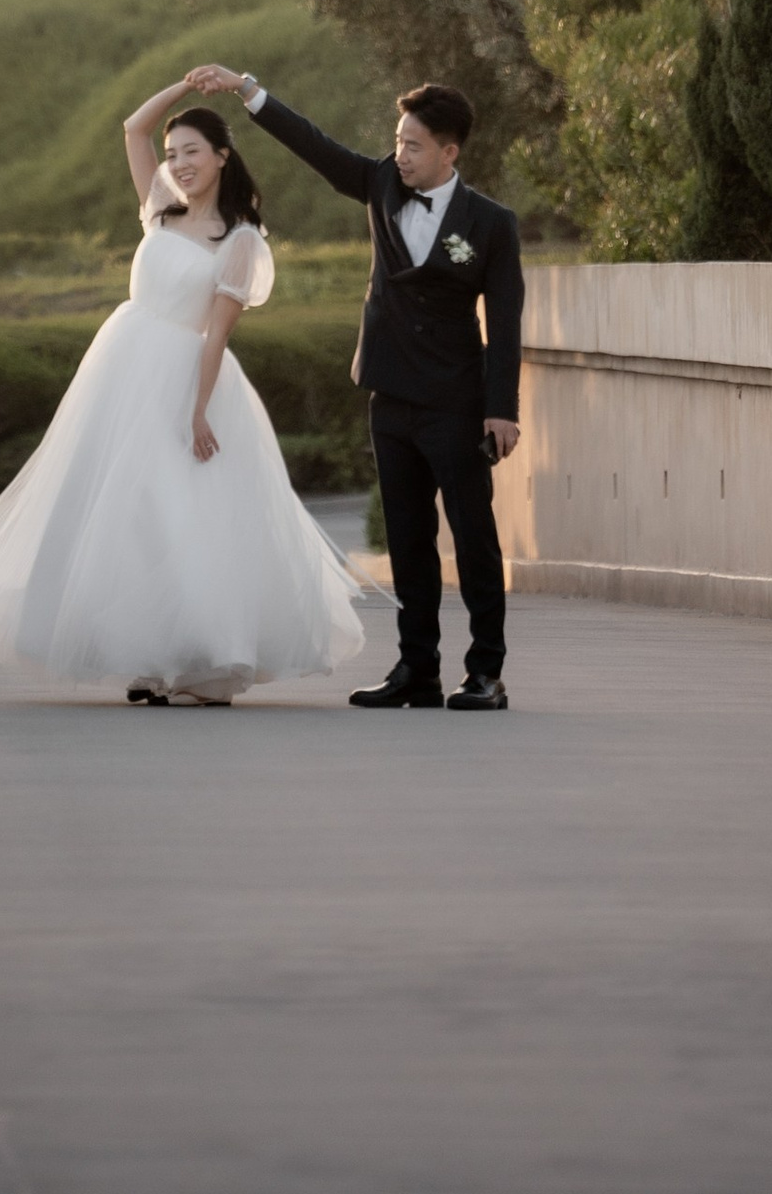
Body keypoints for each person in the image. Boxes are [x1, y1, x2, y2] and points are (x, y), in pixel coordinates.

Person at [0, 92, 365, 703]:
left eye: (192, 151)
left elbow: (217, 334)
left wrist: (198, 408)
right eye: (173, 153)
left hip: (186, 378)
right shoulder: (161, 210)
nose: (180, 163)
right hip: (122, 373)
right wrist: (186, 90)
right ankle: (147, 663)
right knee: (125, 512)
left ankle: (204, 664)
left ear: (222, 156)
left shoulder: (237, 239)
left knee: (183, 516)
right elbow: (133, 129)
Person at [180, 62, 523, 711]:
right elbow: (314, 145)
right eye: (398, 141)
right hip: (390, 397)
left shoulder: (491, 225)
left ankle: (485, 672)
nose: (401, 154)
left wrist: (501, 411)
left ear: (449, 152)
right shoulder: (379, 184)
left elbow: (504, 326)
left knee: (474, 537)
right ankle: (416, 670)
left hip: (456, 402)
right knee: (407, 538)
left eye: (415, 145)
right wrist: (246, 87)